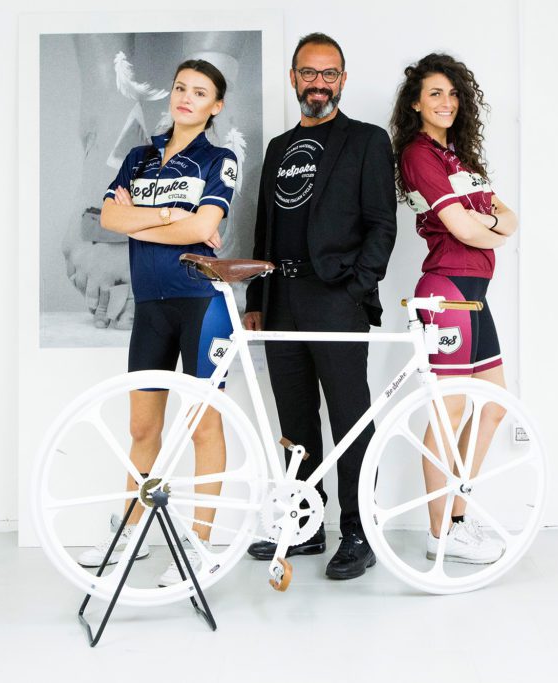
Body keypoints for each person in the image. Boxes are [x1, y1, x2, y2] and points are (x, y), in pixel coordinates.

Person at [75, 59, 239, 586]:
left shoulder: (220, 159)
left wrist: (141, 221)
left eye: (200, 92)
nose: (186, 97)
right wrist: (173, 217)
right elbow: (108, 218)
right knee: (143, 428)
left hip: (201, 304)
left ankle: (199, 542)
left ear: (216, 106)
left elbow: (203, 225)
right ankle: (131, 531)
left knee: (202, 425)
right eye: (180, 88)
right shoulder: (139, 157)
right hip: (151, 307)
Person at [243, 33, 397, 580]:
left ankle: (359, 531)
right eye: (308, 73)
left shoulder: (367, 141)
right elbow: (264, 227)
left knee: (350, 419)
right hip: (280, 298)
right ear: (293, 79)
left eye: (329, 74)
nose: (318, 83)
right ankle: (306, 524)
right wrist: (257, 297)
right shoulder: (278, 148)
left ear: (342, 80)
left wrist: (356, 288)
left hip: (336, 298)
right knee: (295, 419)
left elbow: (382, 224)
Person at [390, 53, 518, 564]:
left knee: (492, 406)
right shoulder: (419, 155)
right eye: (435, 93)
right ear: (416, 103)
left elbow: (511, 218)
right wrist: (488, 226)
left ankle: (457, 521)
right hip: (446, 291)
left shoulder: (461, 159)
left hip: (475, 294)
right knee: (451, 410)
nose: (446, 102)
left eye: (452, 93)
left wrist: (487, 223)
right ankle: (439, 532)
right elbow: (470, 228)